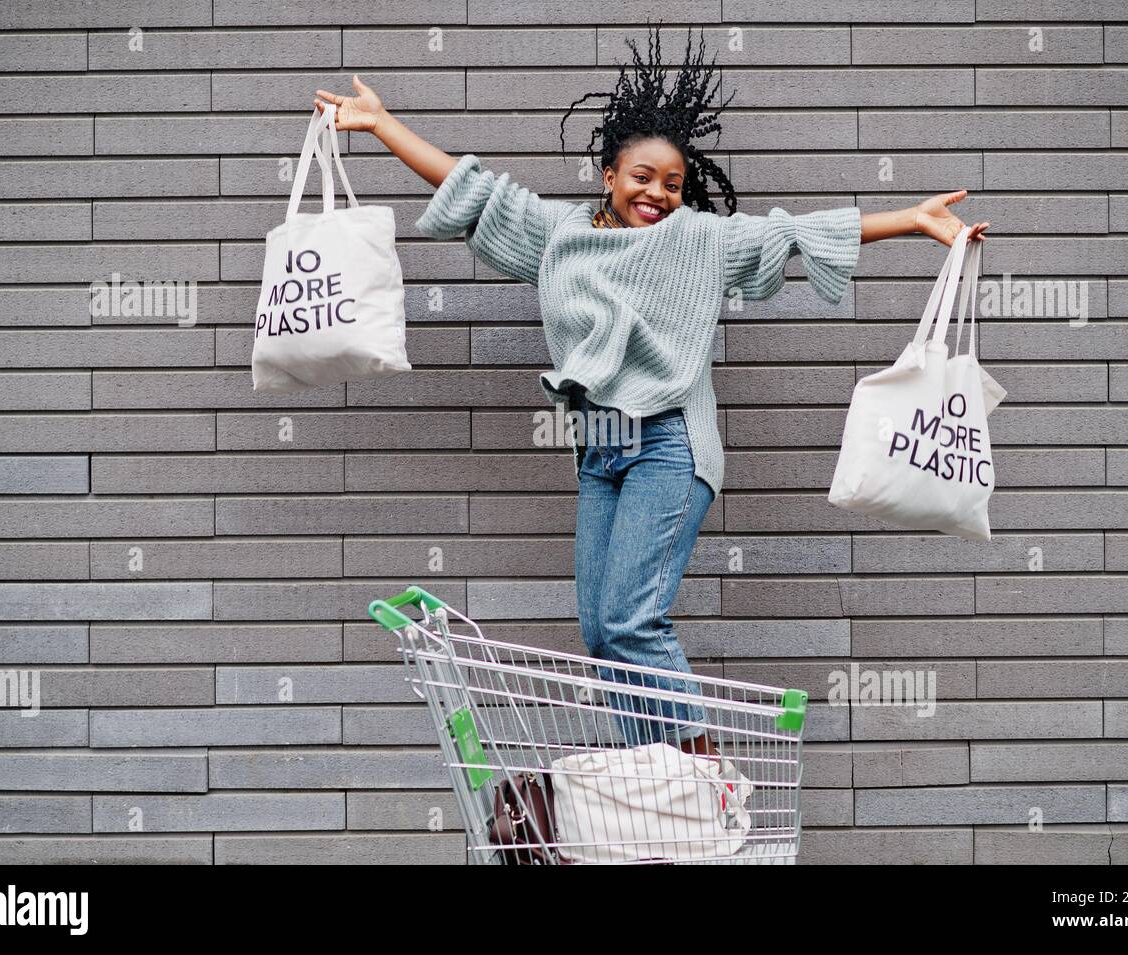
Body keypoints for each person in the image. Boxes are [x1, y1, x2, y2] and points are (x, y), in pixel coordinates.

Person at [316, 24, 988, 756]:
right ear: (609, 174)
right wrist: (382, 125)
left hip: (670, 444)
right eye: (642, 177)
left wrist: (913, 221)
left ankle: (701, 767)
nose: (658, 194)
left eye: (672, 183)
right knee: (602, 630)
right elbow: (471, 191)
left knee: (633, 618)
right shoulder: (561, 233)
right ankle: (653, 773)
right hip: (601, 451)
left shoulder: (697, 238)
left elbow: (793, 233)